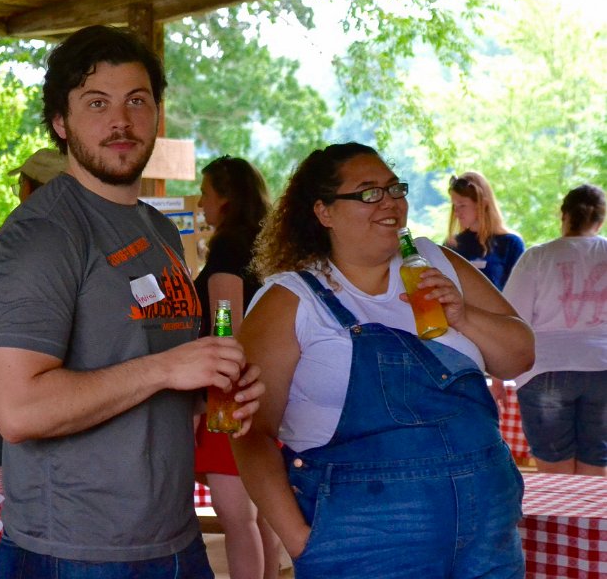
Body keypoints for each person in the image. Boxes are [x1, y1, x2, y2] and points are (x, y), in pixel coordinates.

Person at [0, 24, 264, 579]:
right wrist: (167, 368)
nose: (121, 121)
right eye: (97, 103)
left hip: (174, 537)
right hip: (76, 553)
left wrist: (211, 385)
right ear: (60, 123)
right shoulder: (43, 234)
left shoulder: (159, 229)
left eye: (137, 101)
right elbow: (18, 411)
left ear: (156, 113)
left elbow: (152, 375)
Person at [232, 142, 534, 578]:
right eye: (369, 192)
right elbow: (250, 432)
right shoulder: (291, 300)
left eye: (395, 189)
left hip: (488, 529)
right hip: (365, 542)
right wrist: (301, 540)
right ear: (324, 212)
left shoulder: (436, 262)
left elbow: (520, 356)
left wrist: (463, 316)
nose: (390, 202)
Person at [193, 155, 282, 579]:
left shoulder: (227, 250)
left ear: (225, 199)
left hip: (229, 397)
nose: (201, 204)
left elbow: (226, 329)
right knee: (262, 517)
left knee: (236, 518)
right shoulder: (265, 248)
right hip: (266, 392)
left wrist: (206, 401)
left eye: (205, 194)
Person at [0, 148, 68, 467]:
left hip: (20, 401)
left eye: (20, 184)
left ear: (31, 188)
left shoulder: (17, 238)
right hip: (76, 404)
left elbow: (0, 332)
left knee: (11, 489)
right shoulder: (93, 237)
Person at [504, 184, 606, 477]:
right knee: (596, 471)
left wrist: (499, 375)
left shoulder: (538, 257)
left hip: (545, 370)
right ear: (600, 220)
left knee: (555, 475)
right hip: (603, 368)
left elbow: (511, 319)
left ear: (564, 216)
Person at [446, 171, 526, 403]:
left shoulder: (510, 244)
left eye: (462, 205)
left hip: (498, 339)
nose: (457, 212)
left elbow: (516, 303)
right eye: (454, 206)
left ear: (482, 204)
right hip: (460, 342)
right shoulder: (451, 246)